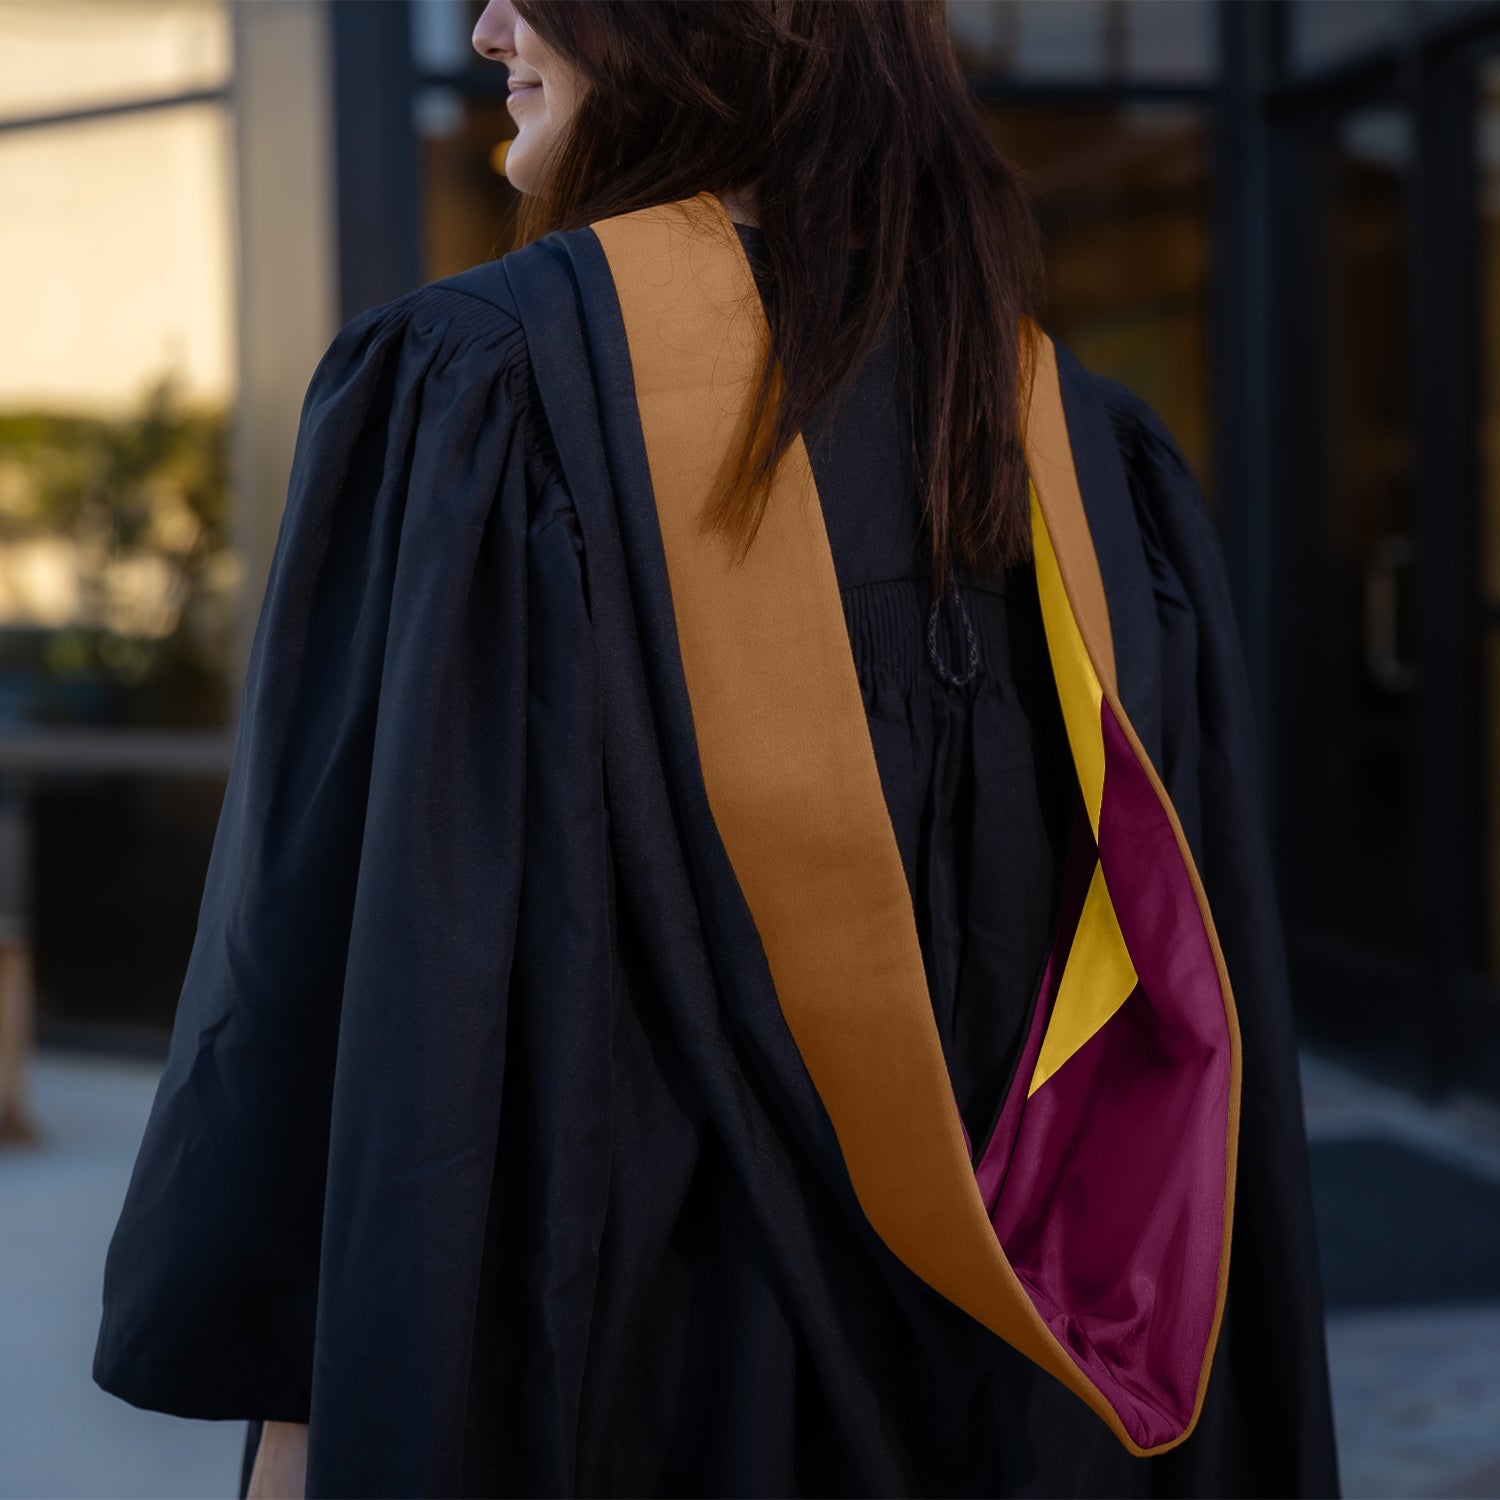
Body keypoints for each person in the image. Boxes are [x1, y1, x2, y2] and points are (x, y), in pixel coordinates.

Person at [92, 3, 1342, 1497]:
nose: (490, 24)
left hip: (624, 1396)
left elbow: (328, 1017)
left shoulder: (482, 395)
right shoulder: (1084, 456)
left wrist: (296, 1440)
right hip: (1025, 1421)